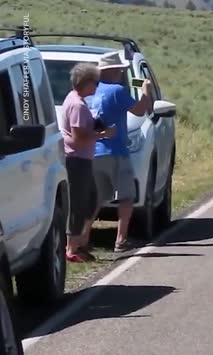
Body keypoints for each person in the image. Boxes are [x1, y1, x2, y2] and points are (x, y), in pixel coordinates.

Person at [86, 51, 152, 253]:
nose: (121, 72)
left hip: (94, 150)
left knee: (96, 197)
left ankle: (82, 239)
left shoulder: (91, 92)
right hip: (116, 150)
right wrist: (146, 92)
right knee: (126, 196)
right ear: (113, 70)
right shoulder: (117, 90)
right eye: (120, 69)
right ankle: (121, 239)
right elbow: (139, 111)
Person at [59, 62, 116, 262]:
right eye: (95, 82)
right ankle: (71, 249)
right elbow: (78, 138)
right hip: (76, 160)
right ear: (86, 83)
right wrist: (102, 134)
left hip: (83, 159)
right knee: (78, 204)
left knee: (90, 201)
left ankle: (77, 243)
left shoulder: (77, 101)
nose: (97, 86)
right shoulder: (76, 105)